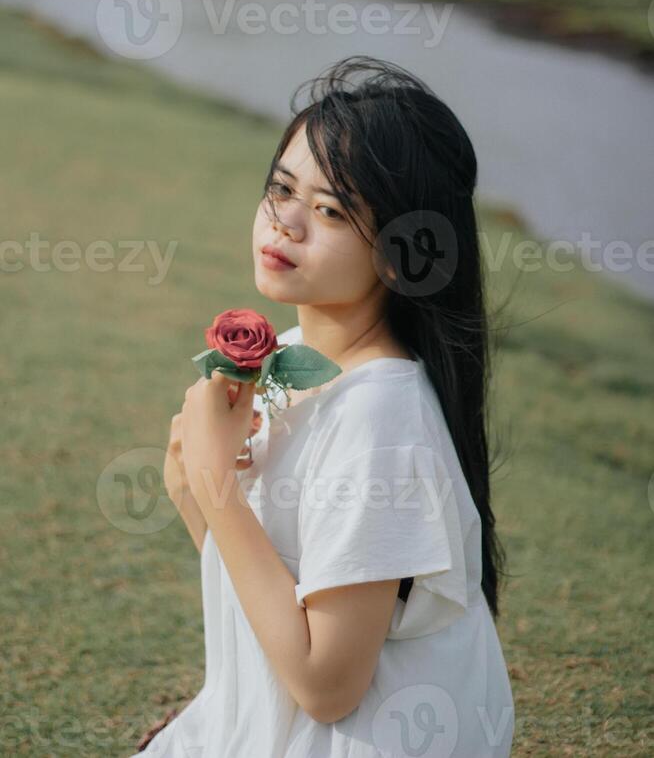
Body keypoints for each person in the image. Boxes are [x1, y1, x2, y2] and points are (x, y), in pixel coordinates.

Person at [130, 56, 515, 757]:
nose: (287, 223)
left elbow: (328, 685)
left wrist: (219, 484)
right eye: (281, 189)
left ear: (403, 257)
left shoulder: (381, 417)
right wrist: (190, 483)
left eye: (331, 210)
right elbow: (269, 587)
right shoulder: (292, 354)